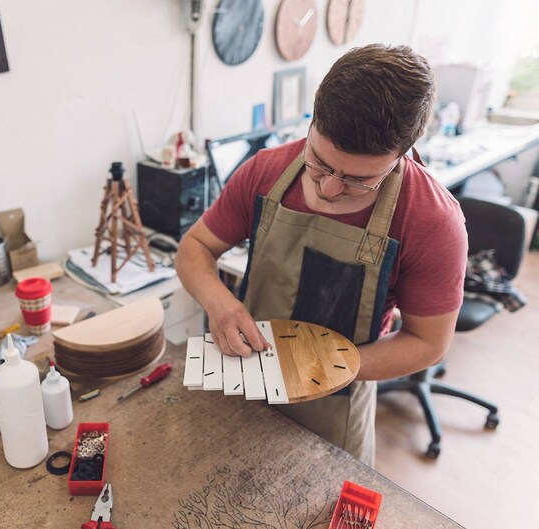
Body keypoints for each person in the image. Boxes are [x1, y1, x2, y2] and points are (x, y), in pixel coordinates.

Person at [174, 44, 467, 466]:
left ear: (405, 149)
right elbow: (194, 248)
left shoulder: (431, 222)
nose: (329, 189)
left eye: (358, 179)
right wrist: (218, 301)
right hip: (244, 381)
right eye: (319, 163)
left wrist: (326, 368)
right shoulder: (264, 171)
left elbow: (428, 343)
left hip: (335, 407)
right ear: (314, 112)